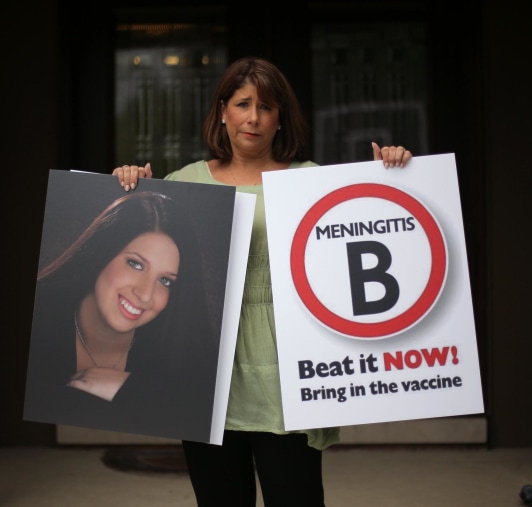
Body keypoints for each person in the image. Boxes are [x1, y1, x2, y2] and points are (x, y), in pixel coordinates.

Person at [113, 56, 412, 506]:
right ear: (222, 112)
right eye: (242, 103)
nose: (253, 117)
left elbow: (372, 242)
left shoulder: (312, 181)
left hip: (292, 373)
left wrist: (391, 173)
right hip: (206, 374)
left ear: (280, 119)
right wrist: (131, 185)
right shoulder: (183, 184)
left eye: (266, 107)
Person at [24, 188, 225, 443]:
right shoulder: (39, 311)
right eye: (135, 264)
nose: (144, 294)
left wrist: (130, 388)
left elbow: (204, 409)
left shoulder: (177, 341)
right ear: (103, 253)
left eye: (165, 280)